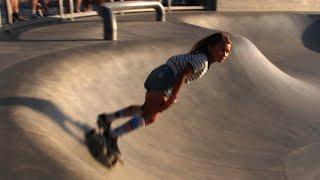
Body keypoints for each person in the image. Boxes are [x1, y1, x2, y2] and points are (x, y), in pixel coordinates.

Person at [97, 32, 232, 156]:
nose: (224, 54)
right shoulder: (202, 60)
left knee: (146, 111)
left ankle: (107, 119)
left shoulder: (202, 59)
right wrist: (173, 97)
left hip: (162, 74)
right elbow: (182, 75)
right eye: (221, 50)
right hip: (167, 77)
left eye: (227, 52)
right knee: (149, 116)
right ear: (209, 47)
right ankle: (112, 135)